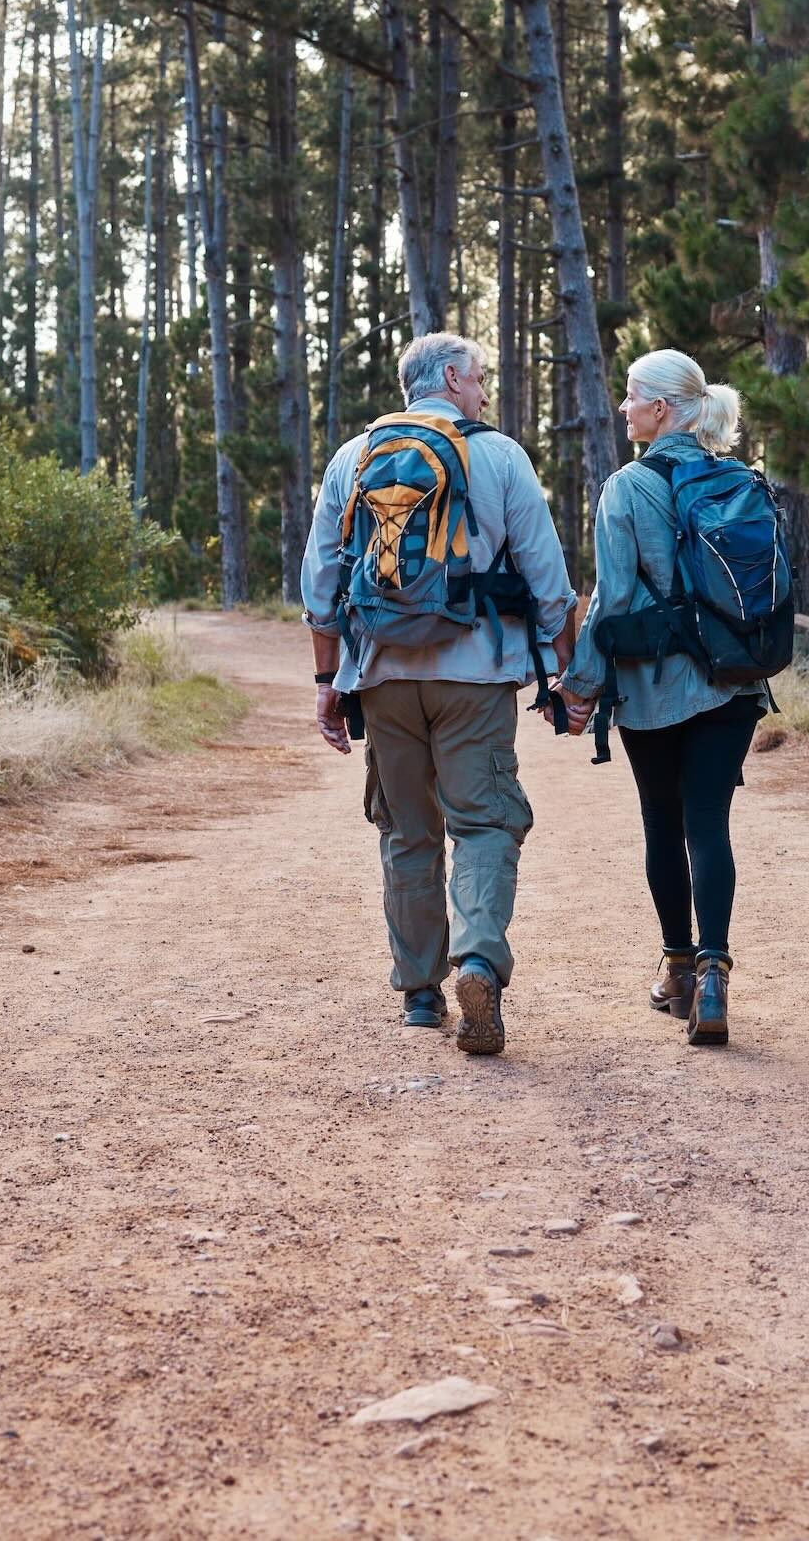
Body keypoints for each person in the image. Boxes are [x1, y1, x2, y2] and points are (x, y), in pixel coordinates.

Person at [300, 332, 578, 1056]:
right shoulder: (501, 455)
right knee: (483, 822)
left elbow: (320, 584)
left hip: (382, 674)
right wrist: (566, 674)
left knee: (406, 831)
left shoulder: (351, 459)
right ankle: (479, 959)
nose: (484, 392)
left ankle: (421, 994)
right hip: (475, 673)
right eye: (479, 378)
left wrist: (327, 682)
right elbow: (549, 581)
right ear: (451, 377)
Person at [554, 350, 768, 1048]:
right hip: (734, 679)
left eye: (632, 396)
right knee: (710, 824)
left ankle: (678, 968)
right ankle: (715, 975)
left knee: (662, 823)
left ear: (662, 410)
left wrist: (578, 687)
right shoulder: (740, 480)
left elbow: (613, 598)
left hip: (653, 684)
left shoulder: (625, 487)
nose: (622, 407)